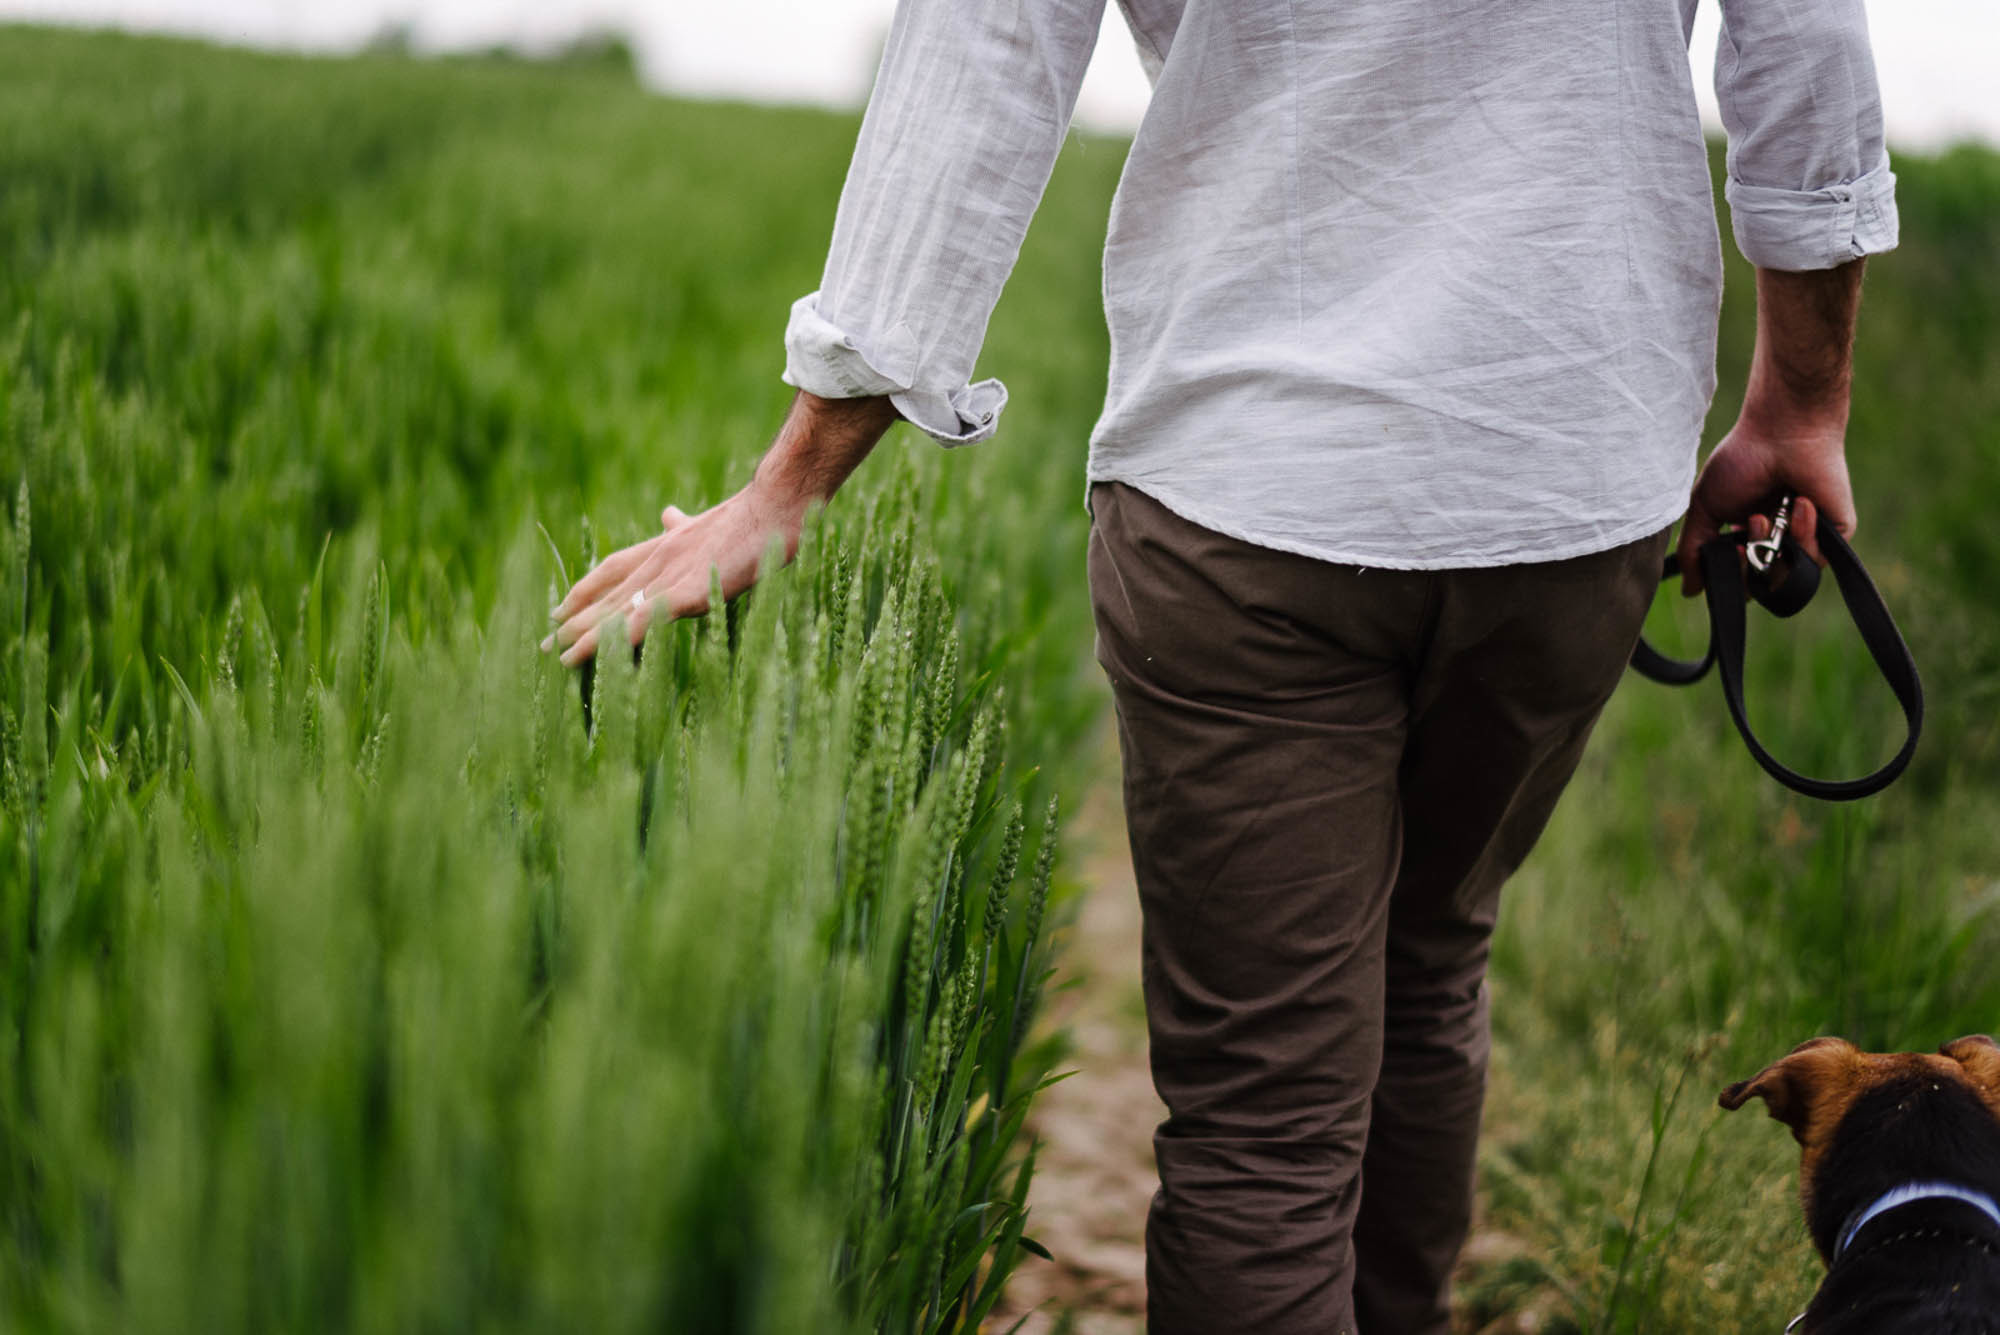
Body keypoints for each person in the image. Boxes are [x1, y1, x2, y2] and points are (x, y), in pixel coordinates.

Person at [546, 0, 1896, 1328]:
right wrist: (1798, 398)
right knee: (1427, 962)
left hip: (1244, 482)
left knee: (1266, 1108)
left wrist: (793, 482)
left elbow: (988, 46)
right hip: (1567, 470)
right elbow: (1807, 31)